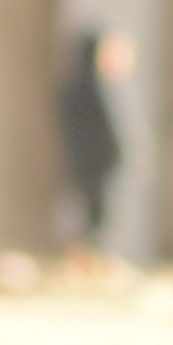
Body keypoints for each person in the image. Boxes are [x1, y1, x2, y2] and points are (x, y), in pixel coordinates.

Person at [51, 21, 132, 266]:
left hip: (88, 162)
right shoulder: (92, 87)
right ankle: (86, 261)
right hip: (96, 163)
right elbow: (105, 130)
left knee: (94, 216)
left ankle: (86, 260)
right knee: (96, 218)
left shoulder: (75, 85)